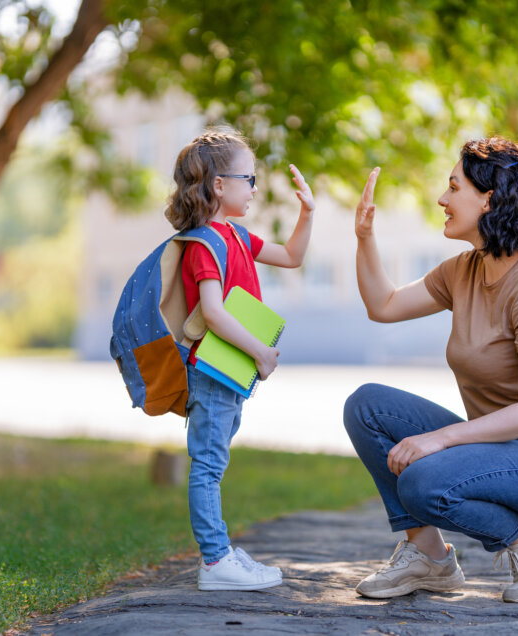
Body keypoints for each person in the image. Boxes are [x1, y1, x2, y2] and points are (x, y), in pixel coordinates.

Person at [344, 137, 518, 604]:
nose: (442, 199)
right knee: (366, 406)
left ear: (488, 198)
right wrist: (364, 238)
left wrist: (439, 439)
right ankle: (428, 557)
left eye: (453, 187)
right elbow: (384, 304)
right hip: (493, 447)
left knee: (422, 481)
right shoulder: (464, 270)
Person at [167, 129, 315, 591]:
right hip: (212, 371)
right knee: (208, 466)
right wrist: (260, 352)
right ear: (217, 185)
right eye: (248, 177)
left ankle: (221, 552)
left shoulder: (236, 235)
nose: (254, 187)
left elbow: (291, 256)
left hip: (227, 371)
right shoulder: (204, 244)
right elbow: (212, 313)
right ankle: (215, 562)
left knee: (216, 460)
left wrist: (307, 213)